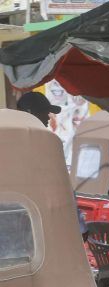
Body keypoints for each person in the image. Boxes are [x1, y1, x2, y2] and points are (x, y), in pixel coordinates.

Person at [17, 92, 89, 242]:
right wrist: (79, 226)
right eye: (44, 112)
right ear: (30, 113)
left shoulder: (10, 142)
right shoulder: (47, 143)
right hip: (46, 228)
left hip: (20, 228)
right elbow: (63, 187)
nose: (49, 117)